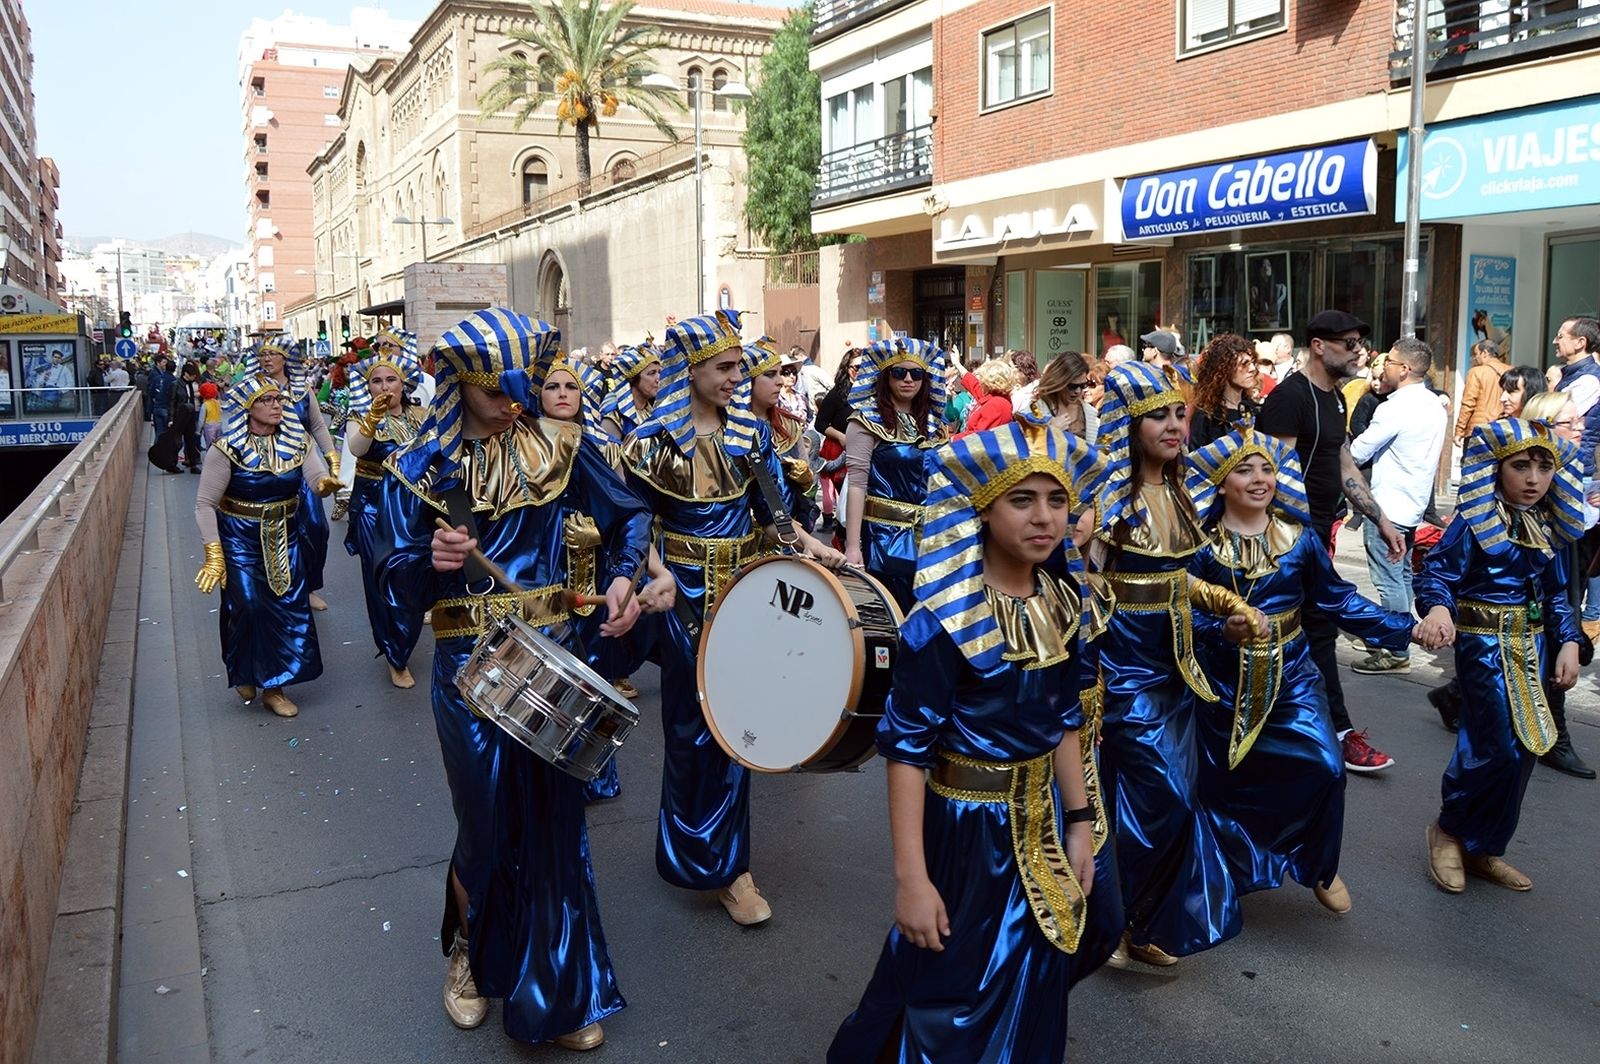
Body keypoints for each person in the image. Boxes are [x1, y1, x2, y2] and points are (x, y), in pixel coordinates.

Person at [377, 309, 650, 1050]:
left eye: (518, 389)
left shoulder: (559, 445)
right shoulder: (425, 469)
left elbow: (628, 517)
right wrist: (422, 562)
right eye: (497, 391)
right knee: (488, 827)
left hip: (553, 653)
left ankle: (560, 988)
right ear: (461, 386)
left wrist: (624, 580)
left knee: (557, 829)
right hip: (467, 669)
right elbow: (389, 577)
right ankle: (469, 951)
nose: (512, 403)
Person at [828, 417, 1110, 1062]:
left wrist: (1079, 818)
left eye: (1057, 500)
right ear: (982, 512)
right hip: (966, 831)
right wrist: (911, 881)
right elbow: (906, 752)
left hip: (1041, 820)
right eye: (1021, 500)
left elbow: (1063, 717)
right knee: (948, 989)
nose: (1044, 518)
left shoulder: (1066, 603)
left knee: (1035, 974)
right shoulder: (942, 622)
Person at [620, 309, 843, 926]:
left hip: (743, 592)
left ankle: (731, 866)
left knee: (738, 725)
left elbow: (775, 513)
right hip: (682, 596)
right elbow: (633, 526)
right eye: (723, 367)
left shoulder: (750, 430)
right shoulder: (649, 441)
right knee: (694, 729)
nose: (736, 377)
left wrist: (818, 549)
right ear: (689, 372)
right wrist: (656, 572)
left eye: (740, 366)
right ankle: (698, 855)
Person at [1186, 429, 1423, 917]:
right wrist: (1218, 630)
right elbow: (1181, 613)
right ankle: (1229, 869)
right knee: (1225, 780)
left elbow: (1337, 598)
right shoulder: (1202, 547)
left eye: (1267, 469)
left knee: (1325, 766)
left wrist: (1405, 629)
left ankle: (1319, 865)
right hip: (1222, 677)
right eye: (1244, 470)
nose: (1259, 480)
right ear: (1220, 482)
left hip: (1291, 671)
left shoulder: (1300, 539)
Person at [1086, 362, 1259, 968]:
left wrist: (1229, 602)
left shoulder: (1184, 493)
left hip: (1178, 671)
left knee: (1172, 800)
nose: (1173, 425)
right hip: (1124, 672)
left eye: (1178, 412)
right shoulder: (1109, 497)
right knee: (1154, 799)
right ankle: (1114, 916)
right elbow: (1082, 584)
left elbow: (1178, 579)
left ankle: (1143, 920)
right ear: (1129, 424)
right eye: (1157, 415)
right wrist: (1092, 679)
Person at [1415, 419, 1584, 894]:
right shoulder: (1473, 520)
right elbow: (1436, 576)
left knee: (1527, 749)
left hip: (1534, 648)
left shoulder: (1547, 523)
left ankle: (1483, 846)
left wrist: (1568, 641)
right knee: (1490, 745)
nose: (1533, 479)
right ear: (1496, 468)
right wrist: (1438, 610)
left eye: (1544, 467)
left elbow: (1557, 596)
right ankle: (1448, 831)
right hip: (1482, 645)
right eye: (1521, 466)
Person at [1256, 310, 1403, 774]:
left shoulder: (1335, 399)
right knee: (1312, 629)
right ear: (1319, 345)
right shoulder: (1288, 399)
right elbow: (1270, 476)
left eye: (1360, 342)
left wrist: (1380, 518)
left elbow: (1342, 464)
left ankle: (1301, 726)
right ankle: (1335, 731)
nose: (1358, 351)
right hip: (1289, 536)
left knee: (1309, 631)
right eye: (1349, 343)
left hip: (1319, 531)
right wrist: (1295, 541)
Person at [193, 374, 338, 719]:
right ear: (248, 407)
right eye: (266, 400)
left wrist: (325, 484)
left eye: (279, 400)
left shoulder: (297, 441)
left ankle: (273, 687)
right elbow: (204, 504)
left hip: (285, 536)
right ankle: (245, 669)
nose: (276, 405)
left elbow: (315, 477)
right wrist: (214, 554)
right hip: (239, 537)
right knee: (248, 607)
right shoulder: (225, 449)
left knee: (287, 609)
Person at [1348, 338, 1447, 675]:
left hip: (1387, 507)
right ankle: (1398, 637)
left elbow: (1358, 451)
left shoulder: (1396, 407)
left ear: (1404, 369)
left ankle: (1394, 649)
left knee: (1389, 579)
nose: (1383, 364)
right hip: (1412, 504)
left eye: (1389, 360)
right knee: (1401, 576)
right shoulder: (1433, 404)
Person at [343, 345, 428, 690]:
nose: (384, 386)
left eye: (391, 379)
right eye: (376, 381)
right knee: (381, 581)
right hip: (372, 507)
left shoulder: (421, 415)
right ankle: (395, 654)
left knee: (412, 577)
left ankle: (404, 635)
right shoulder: (358, 418)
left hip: (412, 506)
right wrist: (373, 418)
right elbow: (356, 449)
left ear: (404, 383)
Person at [844, 337, 950, 609]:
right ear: (884, 376)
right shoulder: (866, 420)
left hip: (931, 539)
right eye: (898, 372)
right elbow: (857, 483)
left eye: (916, 374)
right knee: (893, 618)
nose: (908, 380)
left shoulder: (935, 424)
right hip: (884, 539)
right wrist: (853, 547)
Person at [240, 339, 340, 612]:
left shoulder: (301, 390)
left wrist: (332, 458)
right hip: (266, 468)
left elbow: (318, 426)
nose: (267, 358)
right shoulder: (251, 390)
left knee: (316, 527)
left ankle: (308, 588)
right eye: (263, 354)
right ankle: (277, 588)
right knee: (274, 530)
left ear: (286, 358)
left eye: (273, 353)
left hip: (303, 467)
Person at [1187, 333, 1262, 449]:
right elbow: (1197, 460)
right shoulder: (1206, 417)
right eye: (1244, 364)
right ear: (1224, 368)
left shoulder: (1256, 411)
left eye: (1252, 362)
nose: (1252, 369)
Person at [814, 350, 861, 530]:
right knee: (846, 499)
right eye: (856, 367)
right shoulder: (836, 394)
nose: (860, 371)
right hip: (840, 450)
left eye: (864, 367)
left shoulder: (872, 392)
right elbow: (820, 423)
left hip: (865, 450)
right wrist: (840, 436)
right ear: (847, 369)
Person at [1553, 316, 1600, 478]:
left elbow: (1553, 418)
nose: (1554, 341)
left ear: (1580, 342)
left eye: (1560, 336)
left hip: (1574, 466)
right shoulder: (1574, 374)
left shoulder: (1589, 381)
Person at [598, 341, 661, 441]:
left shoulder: (650, 410)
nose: (658, 379)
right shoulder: (614, 415)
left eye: (659, 372)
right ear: (633, 378)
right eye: (652, 373)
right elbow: (609, 455)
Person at [1035, 351, 1099, 443]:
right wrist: (1049, 432)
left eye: (1083, 385)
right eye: (1072, 386)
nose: (1078, 391)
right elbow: (1025, 448)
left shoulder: (1088, 412)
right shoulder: (1037, 409)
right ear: (1059, 382)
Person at [1456, 339, 1512, 442]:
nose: (1475, 358)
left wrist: (1459, 430)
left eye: (1476, 354)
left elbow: (1468, 404)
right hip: (1505, 427)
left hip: (1479, 428)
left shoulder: (1476, 372)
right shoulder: (1512, 371)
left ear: (1485, 353)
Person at [960, 357, 1020, 435]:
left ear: (988, 381)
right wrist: (957, 364)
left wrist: (954, 439)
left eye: (981, 378)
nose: (980, 382)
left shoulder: (996, 404)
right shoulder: (996, 398)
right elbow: (975, 386)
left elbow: (979, 437)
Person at [146, 356, 176, 438]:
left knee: (159, 434)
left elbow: (151, 392)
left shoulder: (158, 378)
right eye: (163, 362)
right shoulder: (174, 381)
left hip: (157, 407)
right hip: (167, 409)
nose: (164, 364)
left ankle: (157, 449)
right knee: (167, 435)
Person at [198, 382, 222, 450]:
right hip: (218, 424)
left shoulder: (205, 404)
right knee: (218, 444)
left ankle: (210, 458)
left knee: (210, 445)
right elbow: (221, 412)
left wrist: (198, 430)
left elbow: (201, 419)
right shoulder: (217, 402)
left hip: (209, 426)